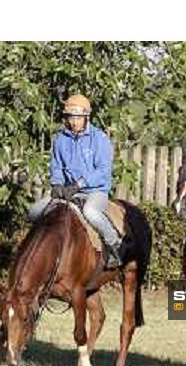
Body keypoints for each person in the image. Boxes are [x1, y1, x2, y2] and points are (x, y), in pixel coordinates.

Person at [28, 93, 123, 267]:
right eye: (70, 117)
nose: (73, 121)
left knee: (90, 213)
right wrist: (57, 184)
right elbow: (56, 165)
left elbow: (102, 171)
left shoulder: (100, 139)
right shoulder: (60, 140)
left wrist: (79, 184)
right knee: (34, 211)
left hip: (95, 192)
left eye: (77, 117)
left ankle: (114, 242)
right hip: (67, 190)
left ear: (86, 117)